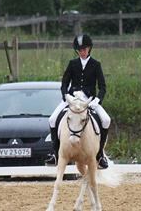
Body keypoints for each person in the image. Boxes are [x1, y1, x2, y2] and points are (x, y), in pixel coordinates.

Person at [45, 34, 111, 169]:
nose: (82, 52)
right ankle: (55, 154)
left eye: (84, 49)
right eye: (80, 50)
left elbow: (103, 87)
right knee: (52, 119)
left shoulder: (96, 65)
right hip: (72, 99)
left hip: (88, 100)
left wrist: (97, 100)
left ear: (89, 49)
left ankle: (100, 155)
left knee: (106, 120)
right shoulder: (72, 64)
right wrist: (65, 96)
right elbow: (64, 83)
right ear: (77, 51)